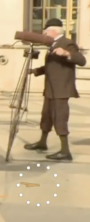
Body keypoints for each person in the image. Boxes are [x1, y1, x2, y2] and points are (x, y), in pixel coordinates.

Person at [24, 18, 86, 161]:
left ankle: (65, 151)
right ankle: (42, 142)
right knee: (46, 116)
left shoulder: (66, 43)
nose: (44, 34)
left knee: (60, 118)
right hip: (51, 88)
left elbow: (81, 60)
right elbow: (51, 66)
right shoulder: (53, 44)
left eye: (45, 31)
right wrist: (35, 71)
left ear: (52, 31)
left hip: (61, 88)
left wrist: (66, 53)